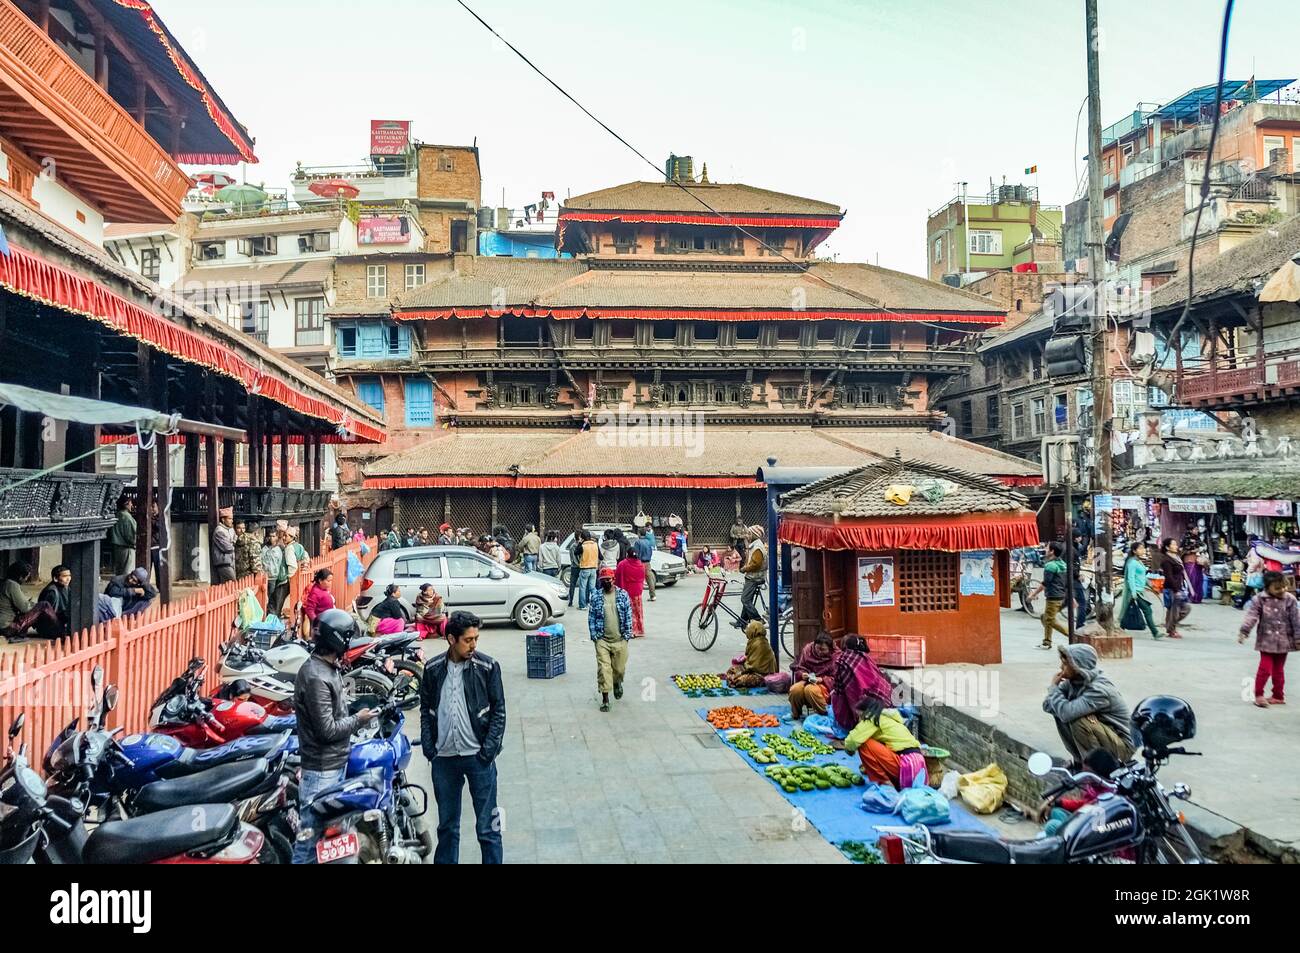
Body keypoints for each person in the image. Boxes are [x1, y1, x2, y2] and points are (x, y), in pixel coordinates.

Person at [420, 610, 506, 864]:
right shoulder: (434, 669)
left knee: (489, 828)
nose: (473, 645)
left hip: (478, 758)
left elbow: (499, 711)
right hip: (444, 759)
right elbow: (426, 710)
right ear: (451, 639)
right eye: (468, 640)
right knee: (447, 827)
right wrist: (430, 748)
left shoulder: (488, 667)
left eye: (476, 639)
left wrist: (488, 751)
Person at [291, 608, 376, 863]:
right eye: (347, 638)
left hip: (334, 764)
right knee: (308, 846)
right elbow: (327, 730)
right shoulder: (316, 676)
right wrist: (358, 720)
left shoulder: (327, 667)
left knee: (331, 843)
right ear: (339, 639)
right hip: (321, 771)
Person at [1041, 643, 1135, 768]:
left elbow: (1066, 713)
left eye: (1065, 663)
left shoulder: (1099, 689)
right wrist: (1056, 691)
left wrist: (1053, 689)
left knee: (1077, 719)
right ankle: (1080, 761)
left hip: (1123, 747)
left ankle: (1095, 767)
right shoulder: (1072, 682)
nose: (1061, 667)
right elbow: (1047, 706)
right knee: (1060, 711)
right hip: (1105, 738)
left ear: (1077, 665)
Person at [1237, 570, 1299, 707]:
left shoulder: (1290, 600)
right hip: (1266, 641)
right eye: (1277, 588)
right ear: (1267, 587)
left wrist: (1298, 638)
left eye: (1284, 586)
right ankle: (1259, 694)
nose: (1282, 590)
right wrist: (1244, 631)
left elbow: (1296, 620)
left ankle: (1278, 695)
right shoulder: (1259, 599)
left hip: (1284, 641)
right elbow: (1251, 616)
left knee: (1279, 670)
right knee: (1265, 669)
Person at [843, 704, 926, 790]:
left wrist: (849, 750)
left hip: (907, 765)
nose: (859, 720)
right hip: (919, 767)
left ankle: (886, 784)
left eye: (860, 716)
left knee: (864, 744)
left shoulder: (872, 718)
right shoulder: (890, 719)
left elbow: (852, 741)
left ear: (866, 713)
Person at [829, 634, 894, 736]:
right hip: (884, 700)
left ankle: (855, 725)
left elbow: (842, 689)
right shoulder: (866, 657)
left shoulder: (842, 660)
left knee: (837, 696)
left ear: (844, 646)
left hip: (863, 701)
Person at [587, 568, 633, 712]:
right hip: (602, 641)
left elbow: (628, 615)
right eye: (603, 580)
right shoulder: (595, 597)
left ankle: (617, 682)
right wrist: (595, 636)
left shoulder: (623, 595)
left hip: (620, 639)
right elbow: (591, 617)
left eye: (608, 579)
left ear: (613, 580)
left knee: (619, 669)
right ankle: (605, 699)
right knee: (604, 669)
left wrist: (627, 635)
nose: (606, 582)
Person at [1, 562, 63, 641]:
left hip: (3, 625)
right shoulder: (11, 585)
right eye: (26, 577)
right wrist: (35, 606)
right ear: (20, 576)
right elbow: (25, 608)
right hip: (8, 627)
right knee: (44, 605)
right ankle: (60, 632)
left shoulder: (4, 583)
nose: (26, 579)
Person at [1028, 541, 1070, 649]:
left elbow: (1045, 583)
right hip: (1061, 595)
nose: (1045, 550)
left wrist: (1033, 594)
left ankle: (1072, 636)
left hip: (1053, 596)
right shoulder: (1062, 564)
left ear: (1052, 551)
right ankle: (1046, 642)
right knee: (1046, 617)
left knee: (1049, 620)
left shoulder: (1050, 566)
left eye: (1047, 548)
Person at [789, 631, 838, 718]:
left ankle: (825, 714)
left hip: (824, 685)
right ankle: (795, 714)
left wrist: (822, 679)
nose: (819, 652)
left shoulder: (836, 656)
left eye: (823, 650)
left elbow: (837, 679)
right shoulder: (808, 650)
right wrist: (803, 674)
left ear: (829, 648)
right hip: (807, 680)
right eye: (817, 648)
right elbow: (800, 667)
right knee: (795, 689)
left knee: (810, 690)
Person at [1118, 541, 1160, 639]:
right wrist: (1133, 592)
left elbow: (1142, 576)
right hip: (1136, 591)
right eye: (1140, 548)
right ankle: (1155, 632)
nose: (1143, 550)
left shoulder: (1138, 561)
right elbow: (1130, 578)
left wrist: (1151, 585)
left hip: (1140, 590)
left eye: (1143, 548)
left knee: (1126, 611)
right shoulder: (1132, 562)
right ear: (1134, 551)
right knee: (1147, 610)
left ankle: (1120, 628)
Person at [725, 620, 777, 688]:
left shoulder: (760, 644)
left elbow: (754, 666)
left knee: (739, 681)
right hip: (752, 669)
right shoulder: (754, 641)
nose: (747, 631)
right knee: (732, 669)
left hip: (762, 674)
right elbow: (751, 660)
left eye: (749, 629)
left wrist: (742, 671)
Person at [1159, 537, 1191, 640]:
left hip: (1179, 586)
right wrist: (1176, 590)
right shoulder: (1166, 560)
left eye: (1176, 544)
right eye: (1173, 544)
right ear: (1167, 547)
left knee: (1185, 608)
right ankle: (1172, 630)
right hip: (1171, 587)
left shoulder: (1176, 557)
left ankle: (1170, 626)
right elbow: (1169, 576)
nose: (1176, 546)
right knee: (1174, 610)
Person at [736, 524, 766, 627]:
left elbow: (756, 564)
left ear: (755, 535)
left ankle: (758, 619)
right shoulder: (754, 545)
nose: (747, 536)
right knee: (747, 599)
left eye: (749, 533)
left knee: (745, 599)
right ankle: (742, 621)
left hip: (754, 577)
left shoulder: (757, 547)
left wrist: (745, 569)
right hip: (753, 576)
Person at [614, 548, 647, 637]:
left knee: (629, 612)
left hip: (626, 591)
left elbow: (617, 577)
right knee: (638, 611)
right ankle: (640, 630)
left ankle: (631, 630)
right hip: (637, 592)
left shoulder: (623, 564)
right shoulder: (640, 564)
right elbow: (642, 578)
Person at [37, 564, 73, 638]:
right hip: (49, 627)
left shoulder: (66, 588)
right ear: (55, 578)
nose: (68, 578)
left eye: (69, 575)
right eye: (64, 576)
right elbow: (48, 615)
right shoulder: (52, 592)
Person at [107, 497, 137, 576]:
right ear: (126, 504)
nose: (132, 505)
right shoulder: (127, 518)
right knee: (127, 574)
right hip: (127, 549)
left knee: (119, 573)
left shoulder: (117, 515)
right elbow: (131, 537)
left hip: (117, 548)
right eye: (130, 503)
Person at [1181, 525, 1206, 604]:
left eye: (1197, 529)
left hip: (1197, 561)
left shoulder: (1197, 538)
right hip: (1189, 561)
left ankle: (1197, 598)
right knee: (1192, 579)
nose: (1197, 531)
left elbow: (1202, 546)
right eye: (1195, 529)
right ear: (1190, 530)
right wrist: (1193, 550)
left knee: (1199, 579)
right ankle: (1191, 596)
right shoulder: (1185, 538)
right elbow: (1182, 549)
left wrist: (1201, 549)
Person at [211, 506, 237, 584]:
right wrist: (233, 542)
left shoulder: (231, 529)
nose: (231, 521)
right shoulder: (219, 531)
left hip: (230, 561)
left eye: (232, 519)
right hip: (223, 563)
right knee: (232, 582)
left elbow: (235, 539)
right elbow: (228, 548)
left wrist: (232, 542)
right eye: (229, 519)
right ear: (223, 519)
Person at [576, 530, 599, 609]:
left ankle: (582, 605)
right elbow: (601, 557)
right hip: (593, 569)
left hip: (585, 568)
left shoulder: (583, 546)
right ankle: (598, 602)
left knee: (582, 587)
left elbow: (576, 552)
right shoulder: (595, 545)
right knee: (592, 587)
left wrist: (579, 542)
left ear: (582, 538)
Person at [635, 524, 656, 601]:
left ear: (639, 534)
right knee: (650, 580)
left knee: (638, 580)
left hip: (640, 562)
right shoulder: (648, 542)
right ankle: (653, 595)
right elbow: (650, 552)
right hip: (647, 562)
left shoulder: (638, 542)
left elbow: (636, 553)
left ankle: (637, 595)